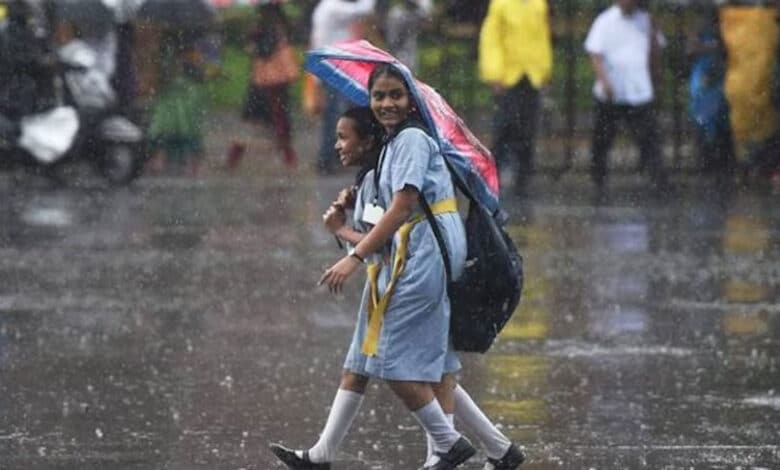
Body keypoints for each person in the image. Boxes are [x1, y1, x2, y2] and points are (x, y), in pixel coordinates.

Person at [270, 65, 524, 470]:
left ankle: (446, 445)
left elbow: (401, 210)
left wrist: (352, 254)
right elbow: (384, 225)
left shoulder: (411, 140)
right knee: (408, 363)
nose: (387, 103)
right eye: (379, 96)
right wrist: (345, 228)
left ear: (411, 101)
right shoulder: (391, 149)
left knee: (394, 362)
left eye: (395, 95)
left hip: (421, 257)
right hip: (411, 256)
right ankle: (495, 449)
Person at [584, 0, 670, 198]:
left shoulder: (646, 21)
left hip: (638, 90)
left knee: (649, 139)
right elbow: (595, 53)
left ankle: (658, 180)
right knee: (602, 139)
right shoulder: (605, 20)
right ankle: (598, 180)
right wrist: (604, 81)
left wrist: (657, 78)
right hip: (612, 92)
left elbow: (656, 52)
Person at [478, 0, 553, 197]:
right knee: (504, 126)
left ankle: (523, 178)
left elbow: (542, 38)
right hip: (509, 76)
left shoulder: (538, 4)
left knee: (528, 129)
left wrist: (544, 71)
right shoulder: (501, 5)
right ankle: (494, 174)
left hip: (531, 75)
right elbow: (491, 39)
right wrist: (494, 73)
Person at [310, 0, 376, 174]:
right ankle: (327, 159)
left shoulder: (325, 8)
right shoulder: (333, 7)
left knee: (334, 115)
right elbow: (363, 9)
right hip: (334, 68)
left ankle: (331, 157)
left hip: (331, 67)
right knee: (334, 116)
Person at [233, 3, 299, 170]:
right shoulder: (281, 26)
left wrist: (252, 45)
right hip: (276, 81)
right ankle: (289, 157)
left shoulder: (268, 28)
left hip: (266, 81)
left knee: (257, 119)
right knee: (277, 119)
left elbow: (265, 50)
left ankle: (234, 158)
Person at [383, 0, 433, 71]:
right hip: (398, 53)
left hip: (407, 53)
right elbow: (393, 40)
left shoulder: (411, 14)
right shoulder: (397, 14)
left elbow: (428, 22)